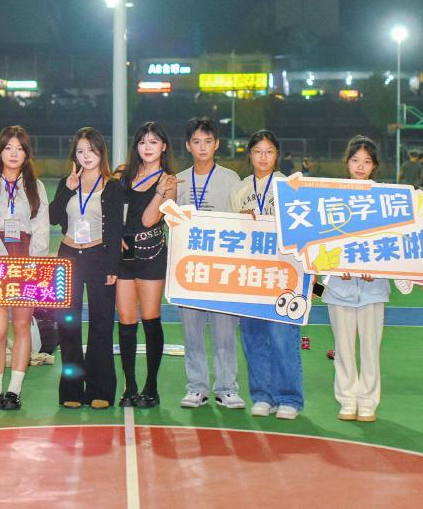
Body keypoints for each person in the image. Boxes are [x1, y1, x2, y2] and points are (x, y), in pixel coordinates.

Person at [0, 125, 50, 411]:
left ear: (27, 153)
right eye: (8, 148)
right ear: (0, 152)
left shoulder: (36, 186)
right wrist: (2, 258)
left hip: (25, 258)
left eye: (19, 148)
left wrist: (32, 261)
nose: (14, 153)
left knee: (21, 325)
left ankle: (14, 391)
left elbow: (41, 228)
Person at [230, 129, 303, 420]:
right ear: (250, 154)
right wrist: (240, 221)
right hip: (250, 273)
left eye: (269, 151)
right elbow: (227, 232)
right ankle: (262, 395)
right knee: (252, 335)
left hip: (284, 273)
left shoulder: (290, 187)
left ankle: (289, 398)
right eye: (258, 151)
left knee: (282, 335)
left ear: (277, 155)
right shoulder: (239, 190)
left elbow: (300, 229)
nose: (263, 157)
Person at [49, 127, 124, 409]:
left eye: (91, 150)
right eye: (80, 151)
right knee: (68, 324)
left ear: (101, 152)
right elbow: (54, 217)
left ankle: (99, 389)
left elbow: (115, 229)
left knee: (101, 324)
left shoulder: (112, 187)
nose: (86, 156)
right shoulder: (67, 182)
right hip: (68, 256)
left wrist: (113, 265)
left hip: (98, 256)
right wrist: (67, 190)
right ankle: (71, 390)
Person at [176, 117, 244, 409]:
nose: (202, 147)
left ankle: (227, 388)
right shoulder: (178, 180)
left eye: (207, 141)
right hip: (189, 268)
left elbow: (242, 221)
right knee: (191, 331)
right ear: (188, 146)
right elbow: (170, 222)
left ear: (216, 144)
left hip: (222, 269)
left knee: (225, 331)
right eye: (196, 142)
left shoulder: (231, 179)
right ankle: (196, 387)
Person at [323, 135, 389, 423]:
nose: (360, 166)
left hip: (374, 287)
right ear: (347, 163)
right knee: (344, 348)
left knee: (371, 348)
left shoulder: (386, 199)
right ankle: (347, 399)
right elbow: (322, 240)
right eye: (355, 160)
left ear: (374, 166)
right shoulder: (331, 198)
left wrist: (377, 266)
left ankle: (368, 401)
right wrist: (336, 266)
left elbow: (392, 240)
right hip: (339, 287)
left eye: (367, 161)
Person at [117, 121, 175, 408]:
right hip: (124, 252)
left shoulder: (169, 181)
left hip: (151, 252)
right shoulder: (123, 174)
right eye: (142, 142)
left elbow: (150, 219)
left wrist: (160, 192)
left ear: (163, 146)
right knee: (126, 320)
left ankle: (151, 387)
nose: (147, 147)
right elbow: (113, 213)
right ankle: (129, 386)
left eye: (153, 142)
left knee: (151, 320)